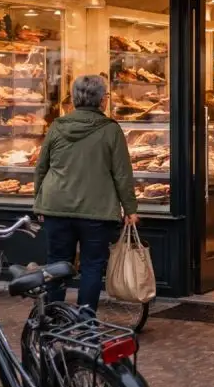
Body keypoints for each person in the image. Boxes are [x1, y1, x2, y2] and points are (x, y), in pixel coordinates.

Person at [34, 74, 139, 315]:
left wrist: (39, 202)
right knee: (92, 266)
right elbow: (122, 174)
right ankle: (86, 320)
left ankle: (53, 318)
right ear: (101, 100)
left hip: (56, 206)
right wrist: (130, 209)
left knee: (57, 264)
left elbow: (42, 168)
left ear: (74, 99)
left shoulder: (57, 127)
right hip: (96, 211)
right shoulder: (111, 130)